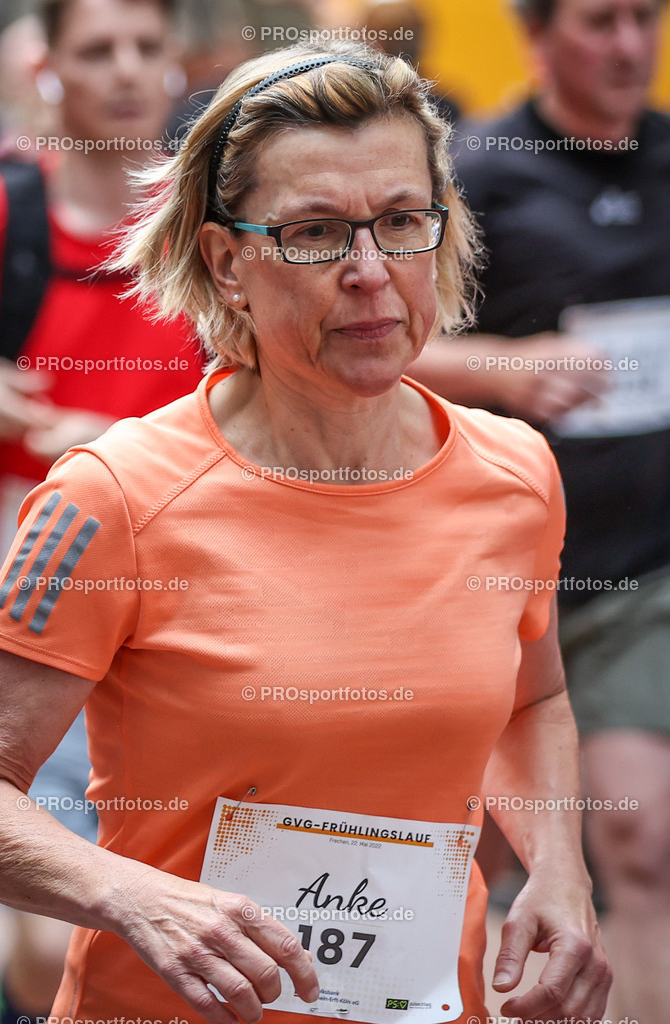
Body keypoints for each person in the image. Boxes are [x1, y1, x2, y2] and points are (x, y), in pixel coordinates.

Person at [0, 40, 610, 1024]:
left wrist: (560, 872)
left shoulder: (512, 472)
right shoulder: (112, 495)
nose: (369, 272)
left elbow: (529, 701)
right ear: (225, 259)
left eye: (401, 221)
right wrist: (131, 896)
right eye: (316, 233)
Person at [411, 1, 670, 1021]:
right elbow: (381, 344)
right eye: (597, 22)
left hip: (638, 576)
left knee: (637, 840)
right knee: (449, 851)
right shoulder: (480, 169)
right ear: (534, 36)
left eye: (643, 19)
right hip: (490, 576)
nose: (627, 46)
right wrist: (506, 370)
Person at [0, 0, 204, 1019]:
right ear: (48, 70)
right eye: (97, 49)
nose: (126, 70)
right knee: (57, 929)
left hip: (188, 611)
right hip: (31, 598)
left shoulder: (214, 225)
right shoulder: (2, 217)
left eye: (146, 46)